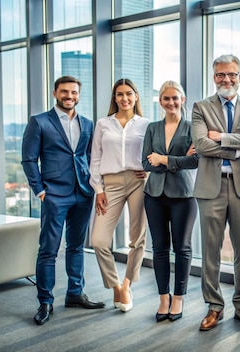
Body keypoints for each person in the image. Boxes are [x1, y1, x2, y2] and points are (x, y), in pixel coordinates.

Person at [21, 76, 105, 326]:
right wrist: (40, 191)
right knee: (48, 250)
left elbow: (91, 157)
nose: (70, 96)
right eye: (65, 92)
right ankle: (45, 301)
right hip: (54, 194)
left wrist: (95, 186)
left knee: (77, 246)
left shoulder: (88, 123)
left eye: (74, 92)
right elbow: (28, 159)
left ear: (79, 95)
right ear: (55, 92)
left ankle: (75, 293)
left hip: (82, 191)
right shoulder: (39, 122)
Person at [191, 54, 240, 331]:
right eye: (221, 75)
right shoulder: (201, 107)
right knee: (210, 250)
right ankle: (214, 306)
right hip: (211, 186)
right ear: (214, 78)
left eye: (231, 74)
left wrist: (220, 137)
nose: (226, 79)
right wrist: (239, 147)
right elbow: (200, 145)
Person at [89, 78, 149, 313]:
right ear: (114, 98)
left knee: (138, 238)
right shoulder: (103, 124)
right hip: (110, 184)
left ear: (136, 97)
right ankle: (114, 283)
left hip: (138, 182)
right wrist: (99, 190)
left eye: (129, 94)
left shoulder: (146, 124)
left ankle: (127, 285)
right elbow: (95, 159)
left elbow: (153, 155)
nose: (124, 98)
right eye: (120, 94)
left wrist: (149, 168)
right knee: (99, 240)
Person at [142, 80, 198, 322]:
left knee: (182, 248)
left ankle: (178, 297)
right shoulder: (152, 128)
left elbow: (196, 162)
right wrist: (177, 160)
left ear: (182, 100)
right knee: (159, 248)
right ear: (160, 102)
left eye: (175, 98)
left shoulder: (192, 128)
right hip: (154, 195)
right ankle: (163, 297)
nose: (171, 102)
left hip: (183, 196)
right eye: (166, 98)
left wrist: (163, 160)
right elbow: (145, 163)